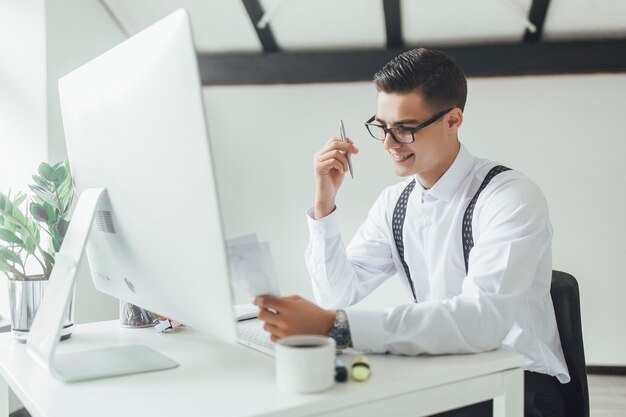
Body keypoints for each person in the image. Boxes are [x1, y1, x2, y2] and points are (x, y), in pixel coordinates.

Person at [254, 48, 569, 417]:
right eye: (382, 127)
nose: (389, 144)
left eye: (405, 129)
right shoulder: (395, 203)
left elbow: (482, 322)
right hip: (442, 373)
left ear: (453, 120)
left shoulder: (510, 197)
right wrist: (324, 203)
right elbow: (336, 293)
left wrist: (335, 326)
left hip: (520, 386)